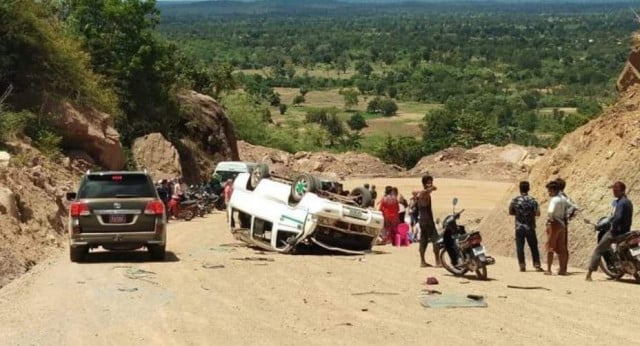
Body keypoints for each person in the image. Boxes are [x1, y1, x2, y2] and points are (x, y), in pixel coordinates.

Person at [586, 181, 634, 281]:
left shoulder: (621, 203)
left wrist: (611, 225)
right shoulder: (628, 202)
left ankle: (589, 274)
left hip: (616, 233)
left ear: (621, 191)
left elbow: (617, 217)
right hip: (626, 232)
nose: (614, 192)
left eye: (615, 190)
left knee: (598, 250)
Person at [509, 181, 543, 272]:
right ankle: (537, 264)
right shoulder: (533, 200)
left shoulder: (515, 200)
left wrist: (519, 214)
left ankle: (522, 265)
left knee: (520, 246)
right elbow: (538, 213)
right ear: (528, 189)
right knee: (533, 246)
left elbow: (511, 212)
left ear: (519, 189)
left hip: (519, 227)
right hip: (530, 227)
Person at [544, 181, 569, 275]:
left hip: (554, 224)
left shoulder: (554, 200)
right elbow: (571, 208)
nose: (549, 193)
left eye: (549, 191)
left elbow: (550, 212)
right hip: (562, 224)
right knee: (562, 247)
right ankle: (563, 270)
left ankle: (549, 269)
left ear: (554, 190)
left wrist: (550, 220)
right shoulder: (563, 198)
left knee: (550, 246)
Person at [415, 175, 440, 267]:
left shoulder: (421, 194)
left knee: (423, 240)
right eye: (429, 182)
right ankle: (438, 262)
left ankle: (422, 261)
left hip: (422, 220)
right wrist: (431, 188)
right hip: (428, 221)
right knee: (436, 240)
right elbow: (428, 190)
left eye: (431, 182)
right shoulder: (423, 193)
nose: (431, 184)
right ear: (425, 184)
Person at [555, 178, 578, 269]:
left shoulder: (560, 197)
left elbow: (574, 207)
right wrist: (568, 217)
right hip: (563, 223)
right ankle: (563, 266)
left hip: (558, 222)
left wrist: (566, 216)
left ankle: (563, 267)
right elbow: (574, 208)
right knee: (563, 245)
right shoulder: (565, 196)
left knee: (559, 245)